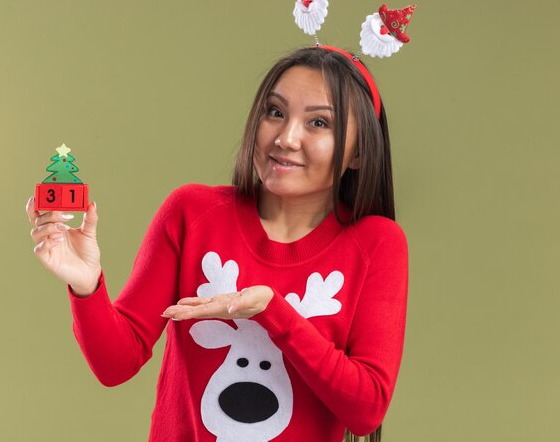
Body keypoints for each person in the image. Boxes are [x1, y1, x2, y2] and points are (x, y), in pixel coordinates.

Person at [26, 47, 408, 442]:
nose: (287, 138)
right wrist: (86, 286)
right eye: (275, 112)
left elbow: (366, 410)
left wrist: (272, 312)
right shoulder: (191, 213)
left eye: (318, 122)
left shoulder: (376, 243)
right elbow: (115, 365)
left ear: (359, 152)